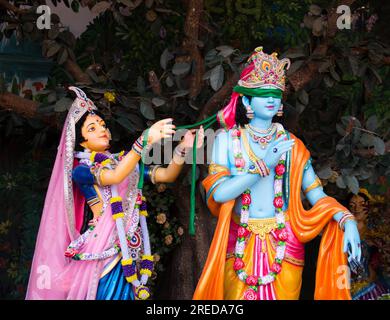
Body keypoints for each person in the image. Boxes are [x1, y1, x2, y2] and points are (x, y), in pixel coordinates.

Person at [193, 47, 361, 300]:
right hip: (239, 241)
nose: (271, 100)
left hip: (286, 244)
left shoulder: (293, 145)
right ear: (247, 101)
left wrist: (347, 220)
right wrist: (264, 164)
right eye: (263, 94)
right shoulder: (226, 140)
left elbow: (316, 195)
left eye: (275, 94)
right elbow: (219, 194)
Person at [26, 86, 203, 300]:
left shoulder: (124, 162)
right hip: (104, 249)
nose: (101, 129)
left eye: (102, 125)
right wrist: (143, 140)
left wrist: (183, 148)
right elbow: (115, 176)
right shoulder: (82, 170)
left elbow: (166, 175)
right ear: (81, 141)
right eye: (91, 128)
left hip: (128, 247)